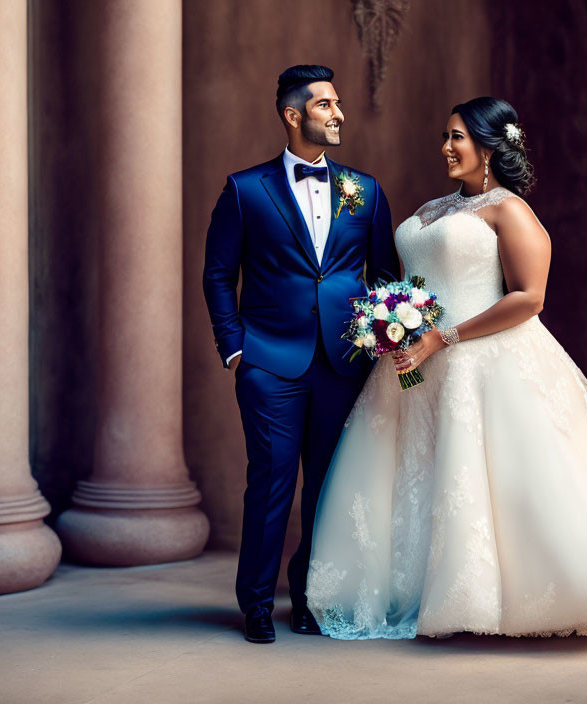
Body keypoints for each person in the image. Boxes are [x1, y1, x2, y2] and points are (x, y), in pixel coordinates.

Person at [305, 97, 587, 639]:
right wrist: (393, 326)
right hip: (414, 366)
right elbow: (415, 281)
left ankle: (495, 598)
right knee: (413, 478)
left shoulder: (510, 210)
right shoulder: (437, 208)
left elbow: (529, 297)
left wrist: (442, 338)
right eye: (446, 136)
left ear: (489, 148)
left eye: (458, 138)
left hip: (479, 360)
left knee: (494, 479)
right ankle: (414, 592)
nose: (446, 147)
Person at [203, 65, 400, 644]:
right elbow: (218, 274)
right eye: (325, 105)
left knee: (328, 485)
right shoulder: (245, 189)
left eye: (338, 104)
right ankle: (257, 604)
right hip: (268, 362)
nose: (339, 114)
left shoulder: (365, 189)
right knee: (271, 480)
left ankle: (310, 597)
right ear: (294, 115)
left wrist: (377, 345)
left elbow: (384, 275)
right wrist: (235, 350)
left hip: (343, 362)